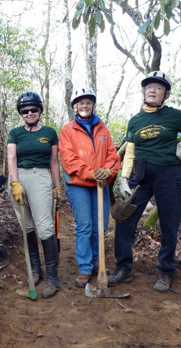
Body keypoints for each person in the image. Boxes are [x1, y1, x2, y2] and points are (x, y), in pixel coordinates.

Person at [109, 71, 181, 292]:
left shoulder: (174, 116)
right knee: (124, 220)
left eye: (159, 88)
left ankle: (165, 270)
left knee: (169, 224)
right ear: (144, 91)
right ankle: (123, 268)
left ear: (166, 95)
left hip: (169, 175)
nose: (153, 90)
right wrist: (124, 179)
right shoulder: (135, 120)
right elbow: (131, 151)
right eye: (149, 87)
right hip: (140, 176)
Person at [58, 87, 121, 288]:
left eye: (88, 102)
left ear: (93, 104)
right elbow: (69, 159)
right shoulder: (68, 130)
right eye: (80, 102)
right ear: (75, 106)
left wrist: (108, 171)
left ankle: (97, 263)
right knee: (85, 225)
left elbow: (113, 156)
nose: (84, 105)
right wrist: (91, 172)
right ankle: (85, 267)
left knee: (100, 225)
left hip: (101, 184)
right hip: (79, 185)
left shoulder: (103, 128)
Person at [7, 91, 62, 299]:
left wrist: (57, 186)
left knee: (45, 225)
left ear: (40, 110)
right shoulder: (15, 133)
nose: (29, 113)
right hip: (18, 178)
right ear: (21, 113)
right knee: (27, 226)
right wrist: (14, 182)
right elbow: (11, 158)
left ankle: (52, 277)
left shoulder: (49, 133)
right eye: (25, 110)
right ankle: (36, 270)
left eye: (33, 109)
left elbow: (54, 162)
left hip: (40, 177)